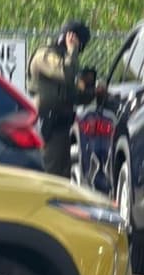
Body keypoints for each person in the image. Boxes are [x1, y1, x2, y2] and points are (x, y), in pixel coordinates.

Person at [28, 19, 96, 177]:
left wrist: (92, 91)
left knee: (62, 176)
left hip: (62, 128)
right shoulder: (45, 56)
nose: (78, 51)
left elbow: (71, 95)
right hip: (49, 126)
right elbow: (66, 74)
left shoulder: (65, 60)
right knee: (50, 176)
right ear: (70, 38)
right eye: (79, 45)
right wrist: (72, 50)